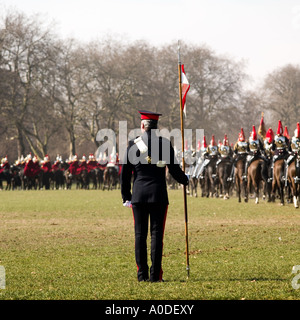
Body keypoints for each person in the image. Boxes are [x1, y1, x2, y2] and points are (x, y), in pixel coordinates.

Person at [120, 110, 189, 282]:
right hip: (158, 195)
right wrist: (185, 179)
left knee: (140, 236)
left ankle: (142, 275)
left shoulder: (132, 145)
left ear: (142, 126)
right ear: (156, 127)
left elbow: (124, 175)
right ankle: (155, 276)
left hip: (138, 196)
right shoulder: (164, 144)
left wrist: (126, 196)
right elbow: (174, 171)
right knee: (157, 236)